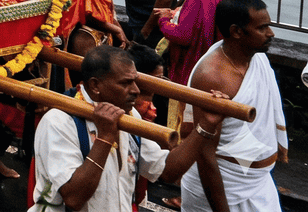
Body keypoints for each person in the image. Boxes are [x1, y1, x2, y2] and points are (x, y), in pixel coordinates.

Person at [30, 44, 218, 212]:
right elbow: (73, 198)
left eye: (135, 81)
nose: (136, 90)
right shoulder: (58, 122)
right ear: (95, 85)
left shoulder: (129, 116)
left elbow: (167, 171)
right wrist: (105, 137)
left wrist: (206, 125)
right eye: (126, 83)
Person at [183, 0, 288, 212]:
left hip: (259, 182)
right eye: (262, 28)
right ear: (236, 32)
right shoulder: (213, 76)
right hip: (222, 187)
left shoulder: (256, 57)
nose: (271, 34)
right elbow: (204, 153)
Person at [156, 0, 239, 114]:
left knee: (180, 118)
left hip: (190, 69)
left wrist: (164, 20)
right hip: (211, 67)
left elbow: (183, 35)